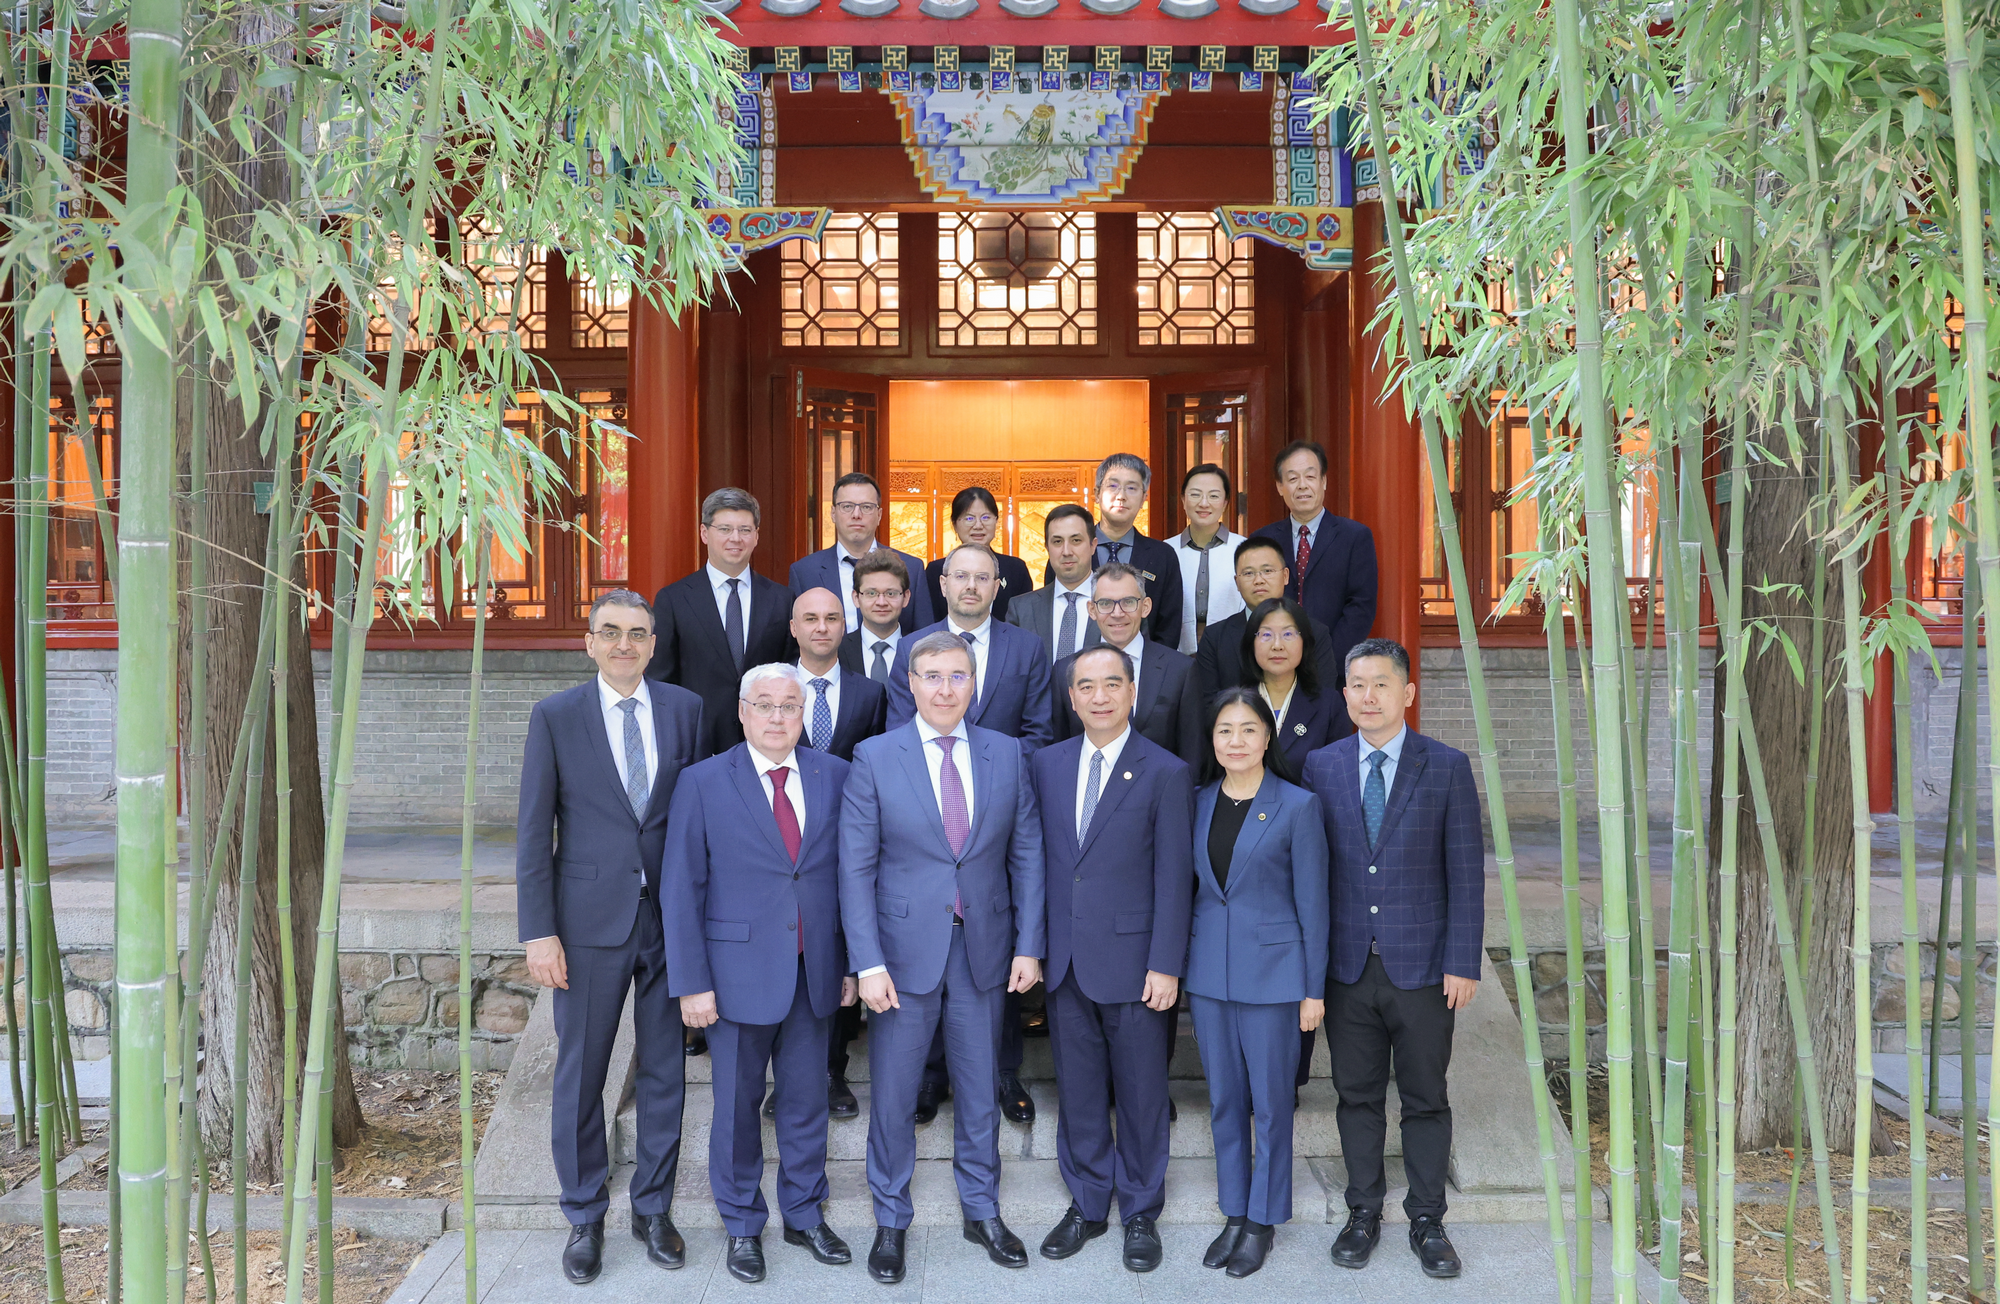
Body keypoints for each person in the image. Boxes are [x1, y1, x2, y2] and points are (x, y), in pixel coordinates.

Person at [838, 632, 1047, 1284]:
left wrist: (1029, 944)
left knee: (981, 1087)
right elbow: (855, 867)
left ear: (973, 683)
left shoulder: (1006, 753)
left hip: (984, 947)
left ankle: (982, 1210)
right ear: (910, 683)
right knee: (895, 1091)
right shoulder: (875, 755)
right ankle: (890, 1217)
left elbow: (1027, 854)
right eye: (931, 676)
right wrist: (867, 962)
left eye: (958, 675)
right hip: (901, 956)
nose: (945, 688)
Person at [516, 591, 706, 1285]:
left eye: (637, 633)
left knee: (665, 1072)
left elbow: (697, 817)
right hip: (588, 923)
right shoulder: (556, 716)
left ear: (653, 644)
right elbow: (534, 832)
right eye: (611, 632)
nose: (625, 644)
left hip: (670, 921)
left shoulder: (686, 710)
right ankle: (584, 1213)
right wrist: (539, 931)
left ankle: (653, 1209)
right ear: (589, 642)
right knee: (582, 1073)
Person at [661, 664, 856, 1283]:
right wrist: (692, 983)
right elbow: (681, 888)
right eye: (764, 704)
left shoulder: (835, 775)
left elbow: (849, 878)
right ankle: (742, 1224)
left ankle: (804, 1214)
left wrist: (850, 964)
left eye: (789, 706)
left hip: (812, 970)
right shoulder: (702, 781)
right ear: (743, 712)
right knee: (738, 1107)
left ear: (804, 715)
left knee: (806, 1102)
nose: (777, 716)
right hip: (733, 976)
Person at [1304, 638, 1485, 1280]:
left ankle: (1428, 1219)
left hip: (1425, 968)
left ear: (1407, 692)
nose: (1368, 696)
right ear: (1344, 693)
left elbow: (1466, 872)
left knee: (1425, 1097)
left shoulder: (1446, 766)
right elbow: (1312, 872)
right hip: (1347, 966)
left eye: (1381, 683)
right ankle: (1363, 1213)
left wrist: (1463, 961)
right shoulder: (1321, 766)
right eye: (1357, 684)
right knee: (1355, 1096)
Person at [1029, 644, 1193, 1274]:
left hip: (1136, 962)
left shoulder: (1166, 771)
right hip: (1066, 960)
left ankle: (1142, 1210)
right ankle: (1089, 1202)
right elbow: (1040, 862)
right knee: (1077, 1089)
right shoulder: (1047, 764)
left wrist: (1166, 963)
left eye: (1112, 684)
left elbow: (1174, 878)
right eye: (1086, 686)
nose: (1099, 696)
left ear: (1132, 692)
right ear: (1071, 698)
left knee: (1142, 1092)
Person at [1185, 688, 1328, 1280]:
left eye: (1248, 729)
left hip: (1274, 977)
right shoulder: (1197, 801)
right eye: (1225, 730)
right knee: (1224, 1101)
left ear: (1268, 737)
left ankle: (1263, 1221)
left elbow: (1313, 905)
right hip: (1209, 976)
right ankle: (1235, 1211)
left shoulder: (1297, 806)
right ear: (1212, 740)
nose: (1236, 741)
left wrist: (1314, 990)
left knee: (1270, 1104)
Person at [791, 586, 888, 1119]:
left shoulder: (870, 693)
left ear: (844, 626)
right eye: (811, 618)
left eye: (832, 618)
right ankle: (791, 1074)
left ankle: (833, 1070)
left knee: (842, 953)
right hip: (783, 847)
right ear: (794, 628)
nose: (822, 627)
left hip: (847, 844)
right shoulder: (772, 687)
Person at [647, 487, 794, 756]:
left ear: (756, 536)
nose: (735, 538)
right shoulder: (674, 599)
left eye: (744, 530)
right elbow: (661, 680)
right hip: (697, 742)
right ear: (704, 533)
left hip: (766, 741)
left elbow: (790, 671)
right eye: (725, 529)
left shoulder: (781, 599)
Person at [888, 542, 1054, 752]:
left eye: (982, 578)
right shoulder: (910, 648)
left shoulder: (1027, 648)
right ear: (943, 585)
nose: (971, 586)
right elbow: (900, 731)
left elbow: (1038, 734)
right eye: (961, 576)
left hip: (1005, 770)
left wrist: (1001, 767)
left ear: (995, 588)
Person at [1051, 562, 1202, 766]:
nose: (1117, 613)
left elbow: (1192, 755)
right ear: (1092, 610)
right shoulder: (1065, 671)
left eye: (1128, 602)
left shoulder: (1180, 670)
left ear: (1145, 607)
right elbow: (1060, 750)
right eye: (1106, 603)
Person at [1250, 441, 1378, 681]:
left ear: (1323, 481)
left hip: (1333, 670)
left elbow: (1361, 606)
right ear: (1280, 487)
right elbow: (1255, 601)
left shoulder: (1354, 537)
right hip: (1274, 668)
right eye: (1292, 478)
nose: (1302, 485)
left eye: (1310, 476)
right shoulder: (1263, 540)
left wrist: (1327, 660)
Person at [1195, 538, 1342, 710]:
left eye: (1267, 571)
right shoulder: (1215, 637)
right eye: (1248, 573)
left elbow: (1324, 699)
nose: (1259, 580)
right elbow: (1208, 705)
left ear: (1285, 576)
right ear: (1237, 582)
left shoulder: (1315, 632)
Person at [790, 471, 934, 634]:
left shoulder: (912, 568)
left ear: (879, 515)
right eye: (847, 506)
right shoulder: (805, 572)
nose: (856, 515)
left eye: (866, 507)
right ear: (833, 513)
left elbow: (925, 638)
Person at [1076, 453, 1183, 648]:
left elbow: (1169, 627)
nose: (1121, 496)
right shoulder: (1072, 551)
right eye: (1113, 486)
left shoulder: (1162, 556)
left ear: (1144, 498)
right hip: (1081, 660)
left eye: (1132, 488)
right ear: (1097, 493)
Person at [1242, 597, 1341, 773]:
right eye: (1266, 635)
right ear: (1252, 643)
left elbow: (1337, 775)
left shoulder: (1329, 705)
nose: (1277, 645)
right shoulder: (1233, 704)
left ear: (1304, 642)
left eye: (1288, 634)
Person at [923, 486, 1034, 624]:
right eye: (969, 518)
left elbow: (1025, 621)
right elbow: (928, 620)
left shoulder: (1016, 569)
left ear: (996, 521)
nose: (978, 525)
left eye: (986, 517)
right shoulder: (935, 570)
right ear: (954, 524)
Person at [1006, 504, 1100, 665]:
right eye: (1057, 541)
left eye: (1076, 540)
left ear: (1093, 545)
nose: (1067, 551)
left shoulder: (1117, 605)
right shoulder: (1022, 609)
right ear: (1047, 548)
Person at [1168, 463, 1247, 654]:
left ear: (1225, 503)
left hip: (1233, 654)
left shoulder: (1244, 549)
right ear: (1183, 499)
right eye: (1195, 494)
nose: (1204, 503)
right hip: (1177, 656)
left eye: (1214, 496)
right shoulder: (1166, 550)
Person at [840, 550, 913, 687]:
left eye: (891, 593)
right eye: (871, 593)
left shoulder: (922, 650)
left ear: (905, 597)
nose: (881, 602)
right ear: (856, 598)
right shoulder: (837, 651)